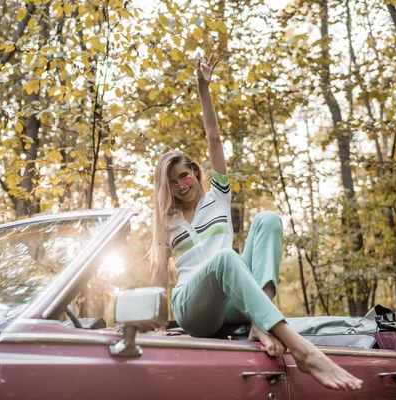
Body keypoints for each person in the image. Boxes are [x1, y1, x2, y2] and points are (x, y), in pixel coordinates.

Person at [149, 54, 363, 391]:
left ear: (194, 171)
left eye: (184, 175)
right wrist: (157, 322)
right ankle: (303, 350)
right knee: (225, 258)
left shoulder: (218, 196)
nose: (181, 185)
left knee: (267, 218)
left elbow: (213, 137)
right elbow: (159, 272)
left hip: (234, 300)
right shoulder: (168, 219)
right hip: (195, 307)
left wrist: (204, 88)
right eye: (173, 183)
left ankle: (261, 322)